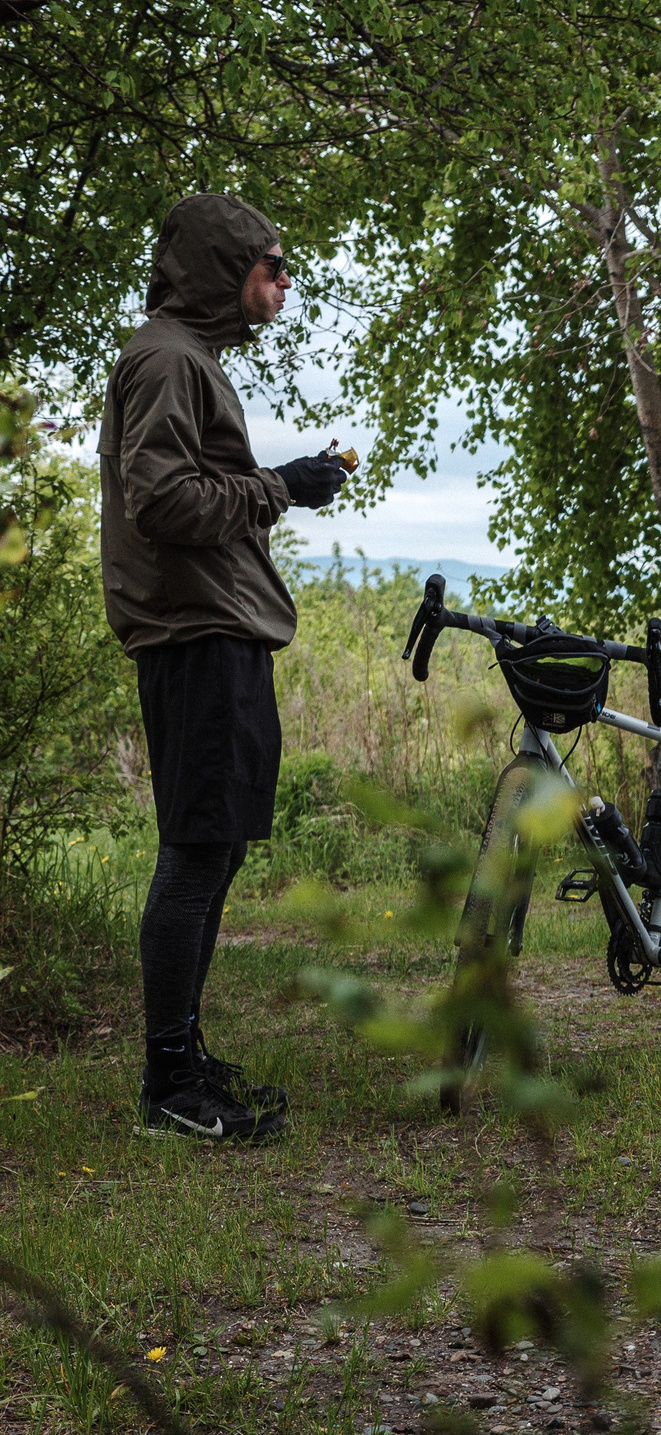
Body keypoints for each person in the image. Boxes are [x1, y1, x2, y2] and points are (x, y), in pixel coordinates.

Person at [99, 194, 352, 1142]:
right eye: (270, 266)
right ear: (222, 267)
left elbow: (189, 488)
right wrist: (282, 485)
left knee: (218, 845)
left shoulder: (189, 358)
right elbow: (162, 501)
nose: (283, 283)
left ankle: (185, 1051)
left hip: (215, 628)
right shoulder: (167, 358)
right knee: (198, 850)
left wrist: (284, 484)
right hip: (193, 631)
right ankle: (169, 1082)